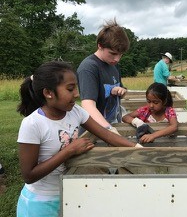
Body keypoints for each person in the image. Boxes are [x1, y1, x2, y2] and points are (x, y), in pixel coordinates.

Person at [16, 61, 141, 217]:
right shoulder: (33, 124)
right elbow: (29, 175)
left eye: (76, 87)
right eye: (70, 89)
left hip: (69, 192)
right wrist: (69, 151)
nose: (77, 94)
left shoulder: (75, 111)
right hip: (41, 203)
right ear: (48, 93)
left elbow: (106, 134)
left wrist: (137, 148)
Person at [77, 19, 129, 135]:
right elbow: (88, 105)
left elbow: (122, 89)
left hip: (112, 125)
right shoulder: (89, 67)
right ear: (100, 46)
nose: (117, 59)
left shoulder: (114, 65)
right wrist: (109, 130)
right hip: (94, 132)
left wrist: (121, 91)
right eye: (113, 53)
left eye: (121, 54)